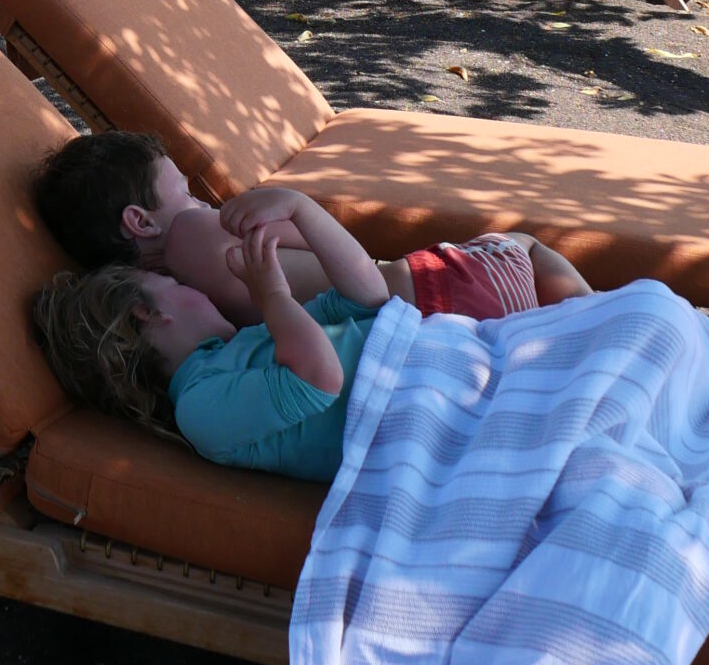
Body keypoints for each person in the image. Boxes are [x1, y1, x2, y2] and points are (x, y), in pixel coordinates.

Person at [31, 130, 589, 327]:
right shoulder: (192, 235)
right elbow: (352, 256)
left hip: (431, 320)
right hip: (433, 291)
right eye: (182, 187)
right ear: (140, 220)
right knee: (522, 245)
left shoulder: (166, 298)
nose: (198, 198)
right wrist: (295, 205)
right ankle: (602, 312)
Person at [31, 222, 378, 480]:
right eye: (178, 284)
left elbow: (367, 299)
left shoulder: (244, 343)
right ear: (148, 313)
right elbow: (321, 378)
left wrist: (302, 212)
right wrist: (273, 296)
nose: (199, 291)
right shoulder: (199, 408)